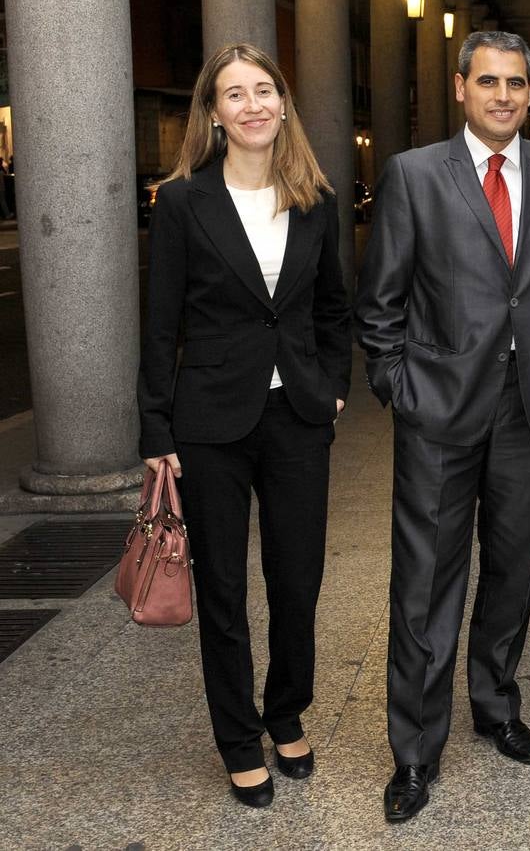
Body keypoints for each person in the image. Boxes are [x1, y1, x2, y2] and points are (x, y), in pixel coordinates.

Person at [355, 31, 530, 823]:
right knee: (426, 582)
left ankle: (495, 704)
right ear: (460, 88)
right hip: (439, 410)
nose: (502, 95)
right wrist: (400, 386)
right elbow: (380, 302)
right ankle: (416, 751)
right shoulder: (414, 175)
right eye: (487, 81)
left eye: (516, 83)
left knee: (515, 569)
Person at [137, 43, 351, 808]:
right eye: (236, 94)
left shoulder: (315, 196)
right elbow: (161, 325)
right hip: (208, 423)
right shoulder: (184, 202)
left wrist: (332, 388)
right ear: (215, 113)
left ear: (283, 103)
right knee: (223, 588)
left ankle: (284, 710)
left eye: (265, 90)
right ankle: (237, 737)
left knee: (298, 580)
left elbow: (334, 307)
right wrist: (156, 431)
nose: (254, 104)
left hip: (296, 414)